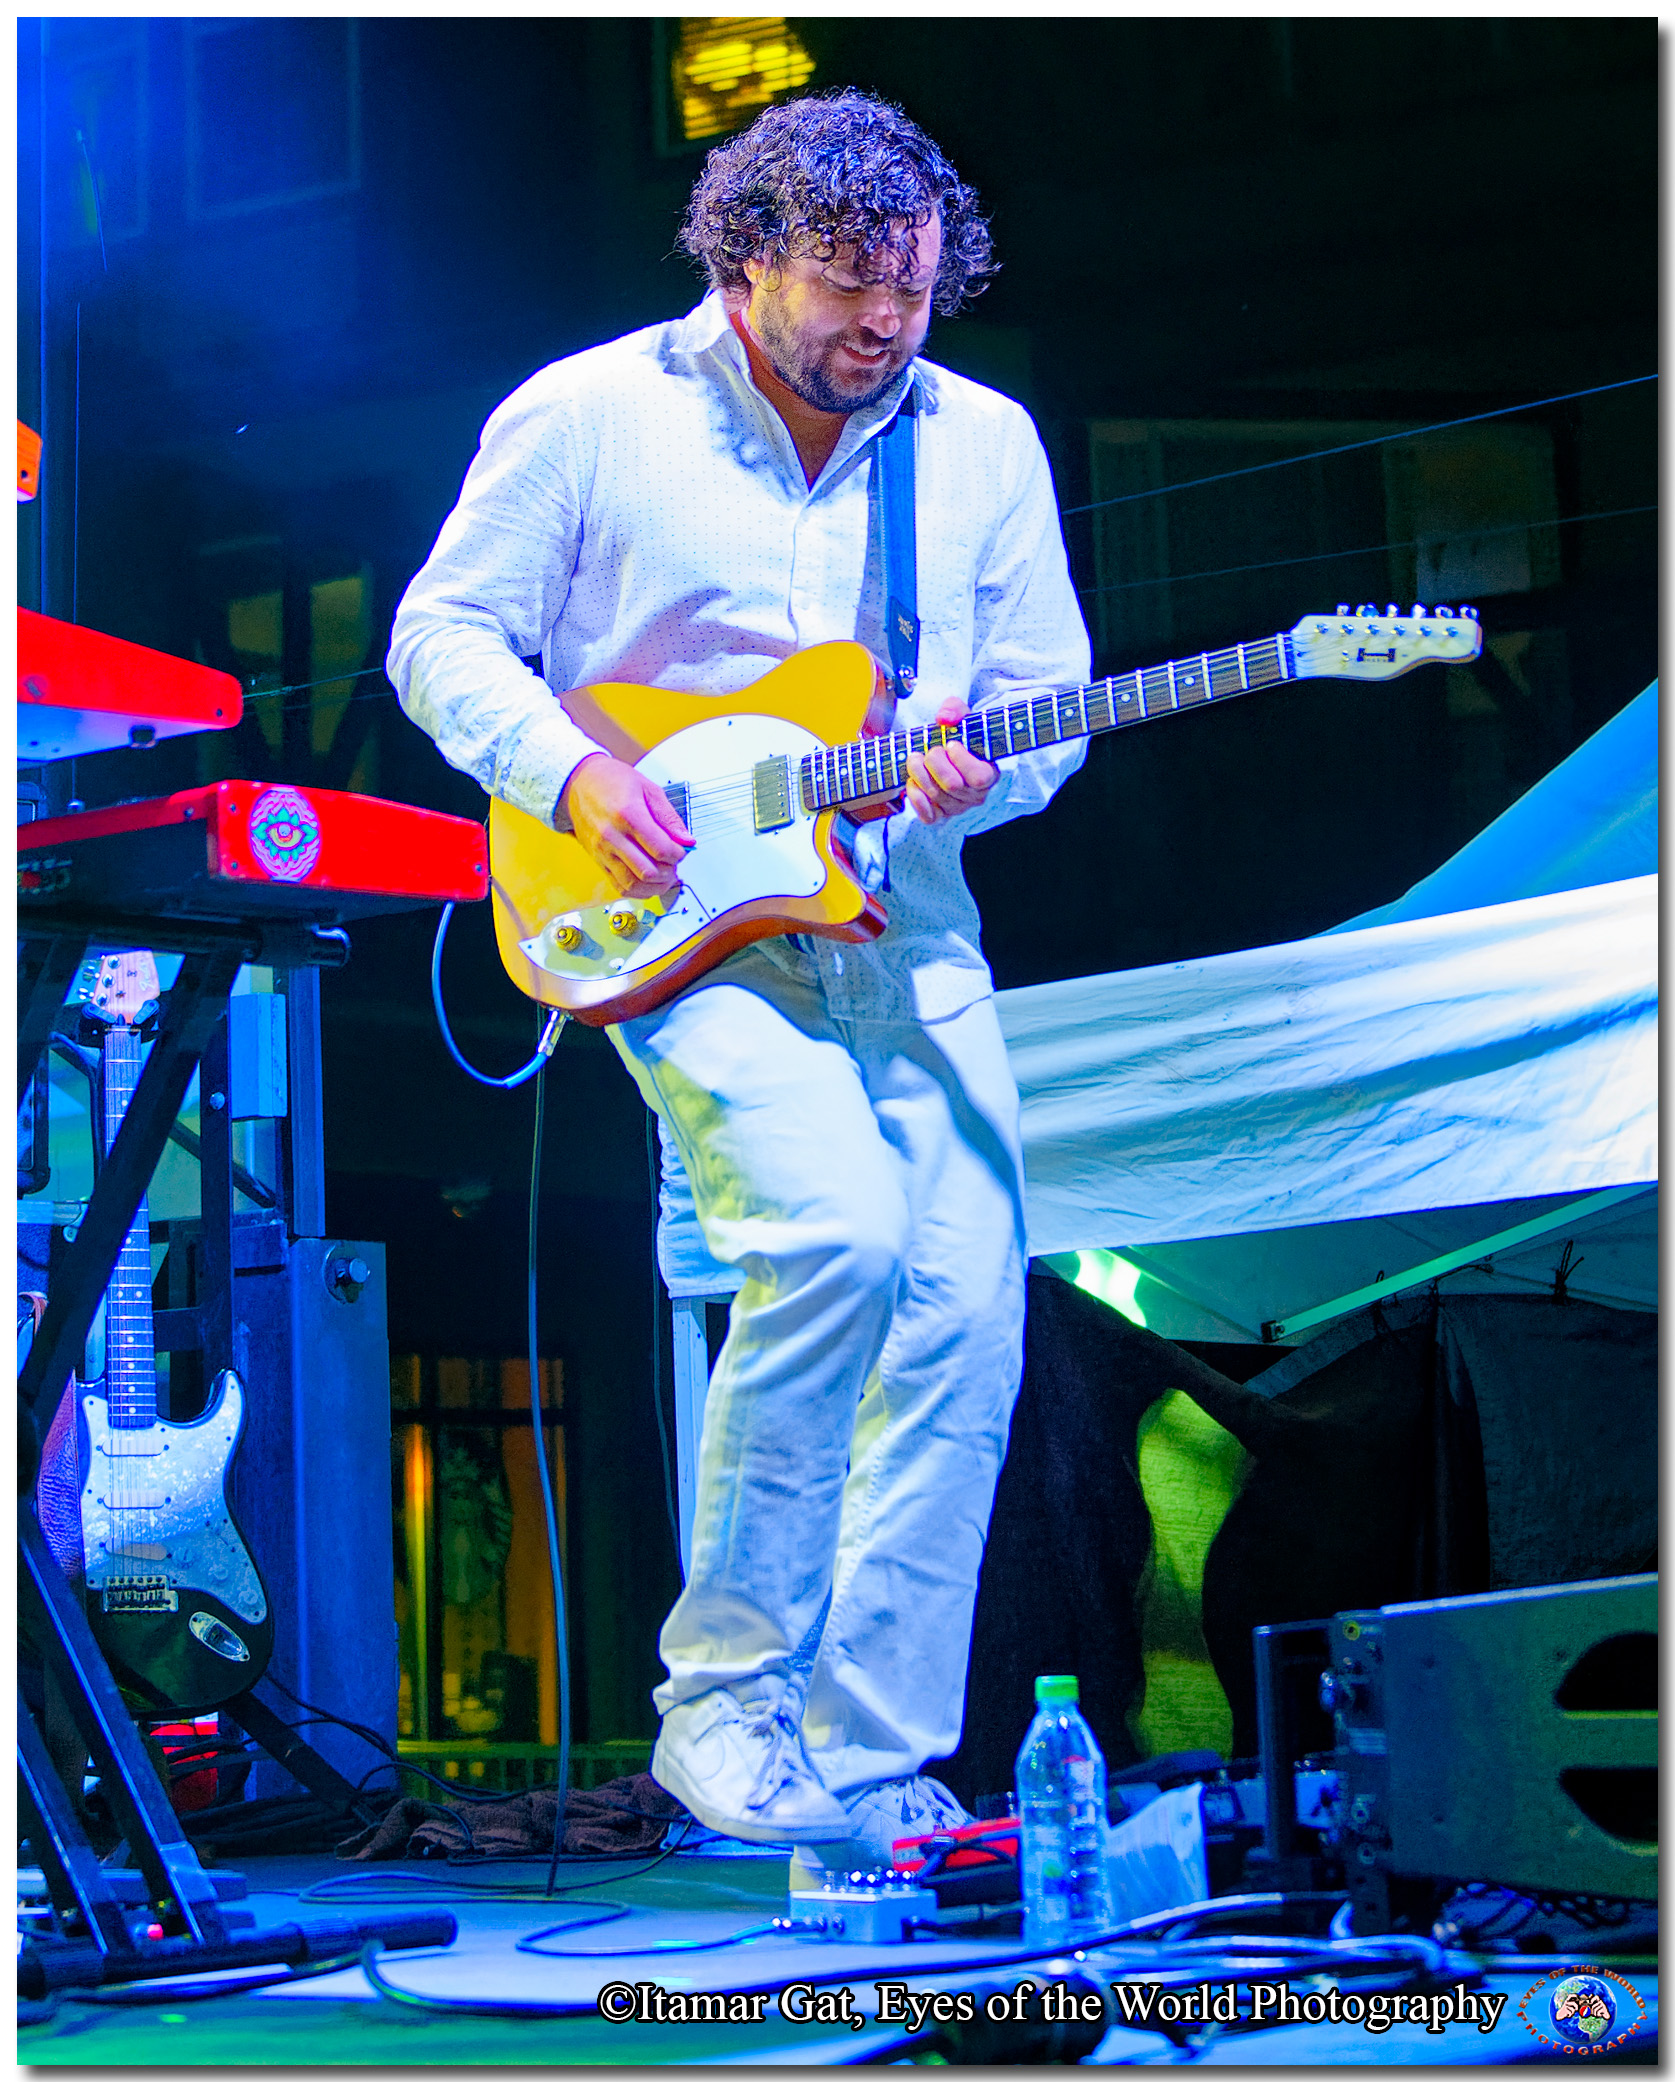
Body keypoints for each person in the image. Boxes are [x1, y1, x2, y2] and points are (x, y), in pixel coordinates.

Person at [388, 89, 1091, 1874]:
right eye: (851, 287)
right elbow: (440, 634)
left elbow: (1050, 702)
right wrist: (569, 772)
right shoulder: (594, 412)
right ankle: (719, 1708)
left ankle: (869, 1762)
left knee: (965, 1315)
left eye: (914, 291)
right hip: (677, 927)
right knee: (836, 1235)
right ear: (746, 255)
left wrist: (977, 770)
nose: (887, 324)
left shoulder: (982, 443)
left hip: (904, 926)